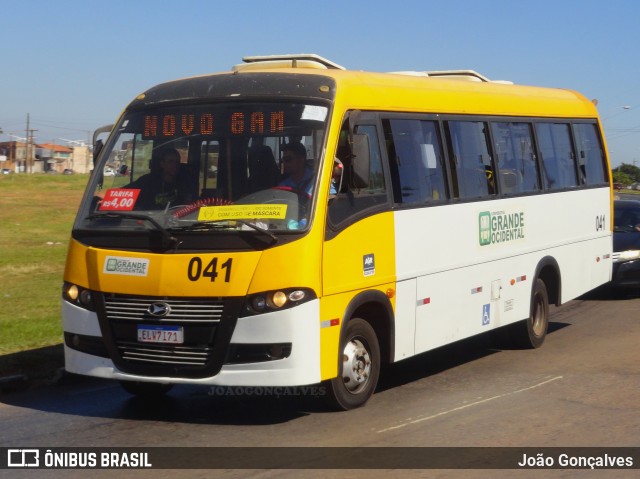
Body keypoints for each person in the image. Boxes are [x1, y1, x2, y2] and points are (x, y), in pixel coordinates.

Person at [127, 147, 192, 210]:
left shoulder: (183, 183)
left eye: (177, 162)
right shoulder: (147, 182)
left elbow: (188, 205)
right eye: (170, 162)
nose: (175, 165)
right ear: (162, 164)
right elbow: (125, 194)